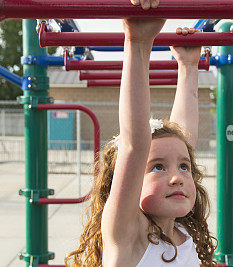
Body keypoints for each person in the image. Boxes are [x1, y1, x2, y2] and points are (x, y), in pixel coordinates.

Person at [66, 0, 217, 266]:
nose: (177, 178)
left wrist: (189, 67)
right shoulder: (129, 236)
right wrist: (137, 42)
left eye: (184, 167)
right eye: (158, 167)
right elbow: (134, 146)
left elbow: (185, 138)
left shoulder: (182, 233)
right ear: (128, 181)